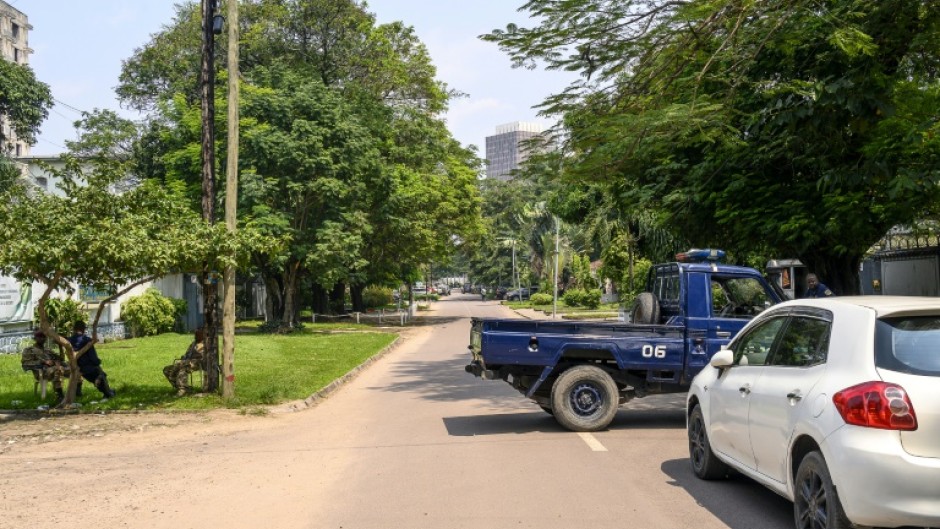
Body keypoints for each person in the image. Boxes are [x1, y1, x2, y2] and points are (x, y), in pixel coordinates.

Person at [68, 321, 116, 399]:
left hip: (79, 368)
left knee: (96, 378)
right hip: (89, 366)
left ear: (74, 329)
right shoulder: (87, 340)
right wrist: (97, 362)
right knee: (101, 376)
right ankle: (108, 393)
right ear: (83, 329)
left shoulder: (69, 340)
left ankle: (108, 391)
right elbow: (92, 356)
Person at [20, 330, 69, 401]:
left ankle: (76, 393)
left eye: (43, 337)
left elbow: (61, 359)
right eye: (39, 337)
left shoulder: (47, 350)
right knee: (58, 369)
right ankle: (59, 396)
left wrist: (60, 347)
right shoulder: (30, 350)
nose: (42, 338)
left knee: (75, 368)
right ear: (35, 338)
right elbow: (26, 364)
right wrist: (43, 362)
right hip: (42, 372)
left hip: (54, 369)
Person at [163, 328, 205, 396]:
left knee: (180, 366)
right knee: (167, 369)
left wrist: (195, 355)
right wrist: (184, 357)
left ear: (202, 335)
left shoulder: (205, 344)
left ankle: (182, 388)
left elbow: (202, 357)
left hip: (196, 363)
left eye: (197, 335)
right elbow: (187, 354)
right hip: (186, 363)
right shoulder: (193, 344)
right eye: (195, 334)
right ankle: (180, 387)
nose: (195, 336)